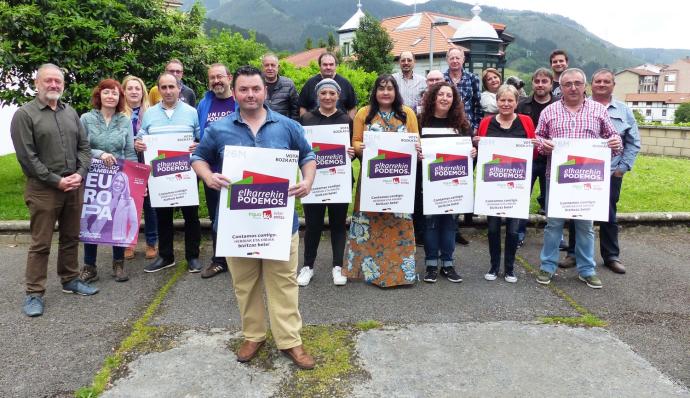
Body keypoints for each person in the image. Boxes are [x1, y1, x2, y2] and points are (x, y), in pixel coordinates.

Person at [191, 65, 317, 369]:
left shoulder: (288, 126)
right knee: (244, 284)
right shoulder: (218, 129)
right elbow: (197, 158)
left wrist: (308, 181)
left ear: (265, 91)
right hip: (238, 225)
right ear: (235, 92)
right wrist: (208, 176)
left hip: (279, 223)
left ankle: (290, 341)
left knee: (284, 283)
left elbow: (308, 156)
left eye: (255, 89)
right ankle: (253, 335)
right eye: (244, 89)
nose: (250, 94)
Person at [11, 63, 98, 317]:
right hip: (43, 189)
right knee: (41, 243)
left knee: (71, 237)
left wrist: (79, 175)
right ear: (37, 83)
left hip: (73, 186)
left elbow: (84, 148)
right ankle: (34, 293)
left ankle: (70, 279)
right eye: (48, 81)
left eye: (58, 82)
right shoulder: (24, 115)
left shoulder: (70, 112)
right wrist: (56, 181)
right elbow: (27, 158)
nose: (53, 85)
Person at [534, 68, 622, 289]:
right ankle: (547, 266)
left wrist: (614, 143)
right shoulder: (549, 111)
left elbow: (614, 137)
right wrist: (542, 145)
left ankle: (587, 270)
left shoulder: (599, 111)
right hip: (556, 177)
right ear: (560, 87)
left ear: (585, 86)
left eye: (577, 83)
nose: (572, 88)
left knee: (585, 226)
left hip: (587, 180)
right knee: (553, 224)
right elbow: (538, 138)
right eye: (567, 84)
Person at [560, 68, 641, 274]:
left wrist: (622, 169)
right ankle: (573, 254)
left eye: (607, 81)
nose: (602, 85)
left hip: (611, 172)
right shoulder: (581, 107)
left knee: (609, 214)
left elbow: (633, 142)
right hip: (581, 171)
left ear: (613, 85)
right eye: (598, 81)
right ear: (591, 85)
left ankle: (611, 256)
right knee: (577, 211)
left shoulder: (623, 111)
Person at [345, 74, 420, 288]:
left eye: (389, 88)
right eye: (381, 88)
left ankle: (400, 274)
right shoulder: (364, 113)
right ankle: (369, 272)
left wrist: (416, 148)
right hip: (373, 179)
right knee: (370, 222)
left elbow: (416, 140)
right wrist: (364, 148)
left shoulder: (407, 114)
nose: (385, 92)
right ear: (375, 92)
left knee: (399, 222)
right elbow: (356, 142)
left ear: (396, 92)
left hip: (399, 181)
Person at [134, 73, 202, 274]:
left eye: (172, 87)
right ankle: (165, 256)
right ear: (158, 90)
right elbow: (140, 137)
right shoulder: (150, 113)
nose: (168, 91)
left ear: (179, 88)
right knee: (162, 215)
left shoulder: (191, 112)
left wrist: (197, 145)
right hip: (160, 175)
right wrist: (137, 144)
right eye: (163, 87)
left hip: (185, 172)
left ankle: (193, 257)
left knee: (192, 216)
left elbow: (199, 138)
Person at [296, 78, 355, 287]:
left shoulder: (346, 120)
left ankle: (338, 266)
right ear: (317, 96)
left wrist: (351, 153)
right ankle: (307, 267)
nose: (328, 97)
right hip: (314, 181)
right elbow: (301, 149)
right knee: (313, 225)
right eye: (323, 93)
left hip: (338, 180)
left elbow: (353, 151)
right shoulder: (306, 119)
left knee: (339, 225)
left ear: (338, 96)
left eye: (332, 93)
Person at [79, 78, 138, 283]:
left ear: (119, 97)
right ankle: (89, 266)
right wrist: (100, 153)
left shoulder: (124, 120)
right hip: (94, 176)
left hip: (118, 177)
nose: (111, 96)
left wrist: (134, 180)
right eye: (107, 92)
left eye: (115, 93)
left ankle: (118, 264)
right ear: (99, 95)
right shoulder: (86, 118)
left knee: (117, 217)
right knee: (93, 217)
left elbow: (130, 151)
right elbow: (81, 147)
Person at [476, 85, 537, 283]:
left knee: (512, 230)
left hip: (516, 184)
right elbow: (481, 154)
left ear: (516, 102)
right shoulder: (486, 123)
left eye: (510, 100)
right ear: (497, 101)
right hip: (493, 184)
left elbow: (533, 152)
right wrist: (477, 144)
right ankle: (494, 266)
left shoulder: (526, 122)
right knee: (493, 229)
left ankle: (510, 268)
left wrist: (535, 145)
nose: (506, 104)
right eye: (502, 100)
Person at [418, 82, 475, 283]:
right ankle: (431, 264)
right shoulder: (420, 122)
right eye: (440, 94)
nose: (444, 98)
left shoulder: (462, 125)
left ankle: (448, 263)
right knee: (431, 224)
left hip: (453, 182)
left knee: (450, 224)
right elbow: (414, 151)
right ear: (433, 97)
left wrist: (473, 154)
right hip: (429, 183)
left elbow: (469, 157)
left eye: (449, 95)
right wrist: (417, 154)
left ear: (454, 100)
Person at [196, 63, 236, 278]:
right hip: (212, 171)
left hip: (238, 171)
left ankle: (242, 258)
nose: (216, 81)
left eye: (220, 76)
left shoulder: (239, 100)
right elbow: (200, 132)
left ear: (229, 77)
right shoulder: (204, 103)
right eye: (212, 78)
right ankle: (219, 260)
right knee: (216, 218)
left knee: (240, 214)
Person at [515, 68, 556, 246]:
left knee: (552, 200)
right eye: (537, 81)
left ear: (551, 84)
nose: (540, 84)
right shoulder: (522, 105)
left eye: (544, 81)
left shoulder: (558, 105)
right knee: (522, 197)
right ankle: (518, 233)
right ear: (532, 83)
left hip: (551, 160)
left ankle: (555, 236)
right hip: (527, 160)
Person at [122, 75, 158, 260]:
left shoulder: (152, 112)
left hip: (148, 162)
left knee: (150, 204)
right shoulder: (119, 113)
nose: (134, 91)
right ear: (124, 91)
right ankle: (128, 242)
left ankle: (152, 241)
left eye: (137, 88)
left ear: (143, 91)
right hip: (127, 163)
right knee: (129, 203)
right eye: (130, 88)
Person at [299, 52, 357, 119]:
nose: (328, 67)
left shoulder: (346, 84)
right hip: (315, 126)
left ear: (336, 66)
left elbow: (352, 107)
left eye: (331, 64)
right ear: (320, 66)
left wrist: (349, 124)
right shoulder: (309, 84)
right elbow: (302, 107)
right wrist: (305, 123)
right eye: (325, 65)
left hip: (339, 127)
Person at [443, 48, 482, 131]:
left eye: (457, 58)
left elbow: (478, 105)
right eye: (452, 58)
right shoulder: (441, 79)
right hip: (446, 125)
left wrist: (476, 126)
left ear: (463, 59)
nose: (454, 61)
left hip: (468, 125)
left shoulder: (473, 78)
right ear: (447, 60)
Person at [262, 53, 300, 120]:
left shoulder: (288, 84)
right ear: (262, 67)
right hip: (261, 126)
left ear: (278, 67)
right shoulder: (256, 85)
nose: (270, 68)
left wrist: (292, 125)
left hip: (284, 126)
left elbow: (295, 109)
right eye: (266, 65)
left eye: (273, 65)